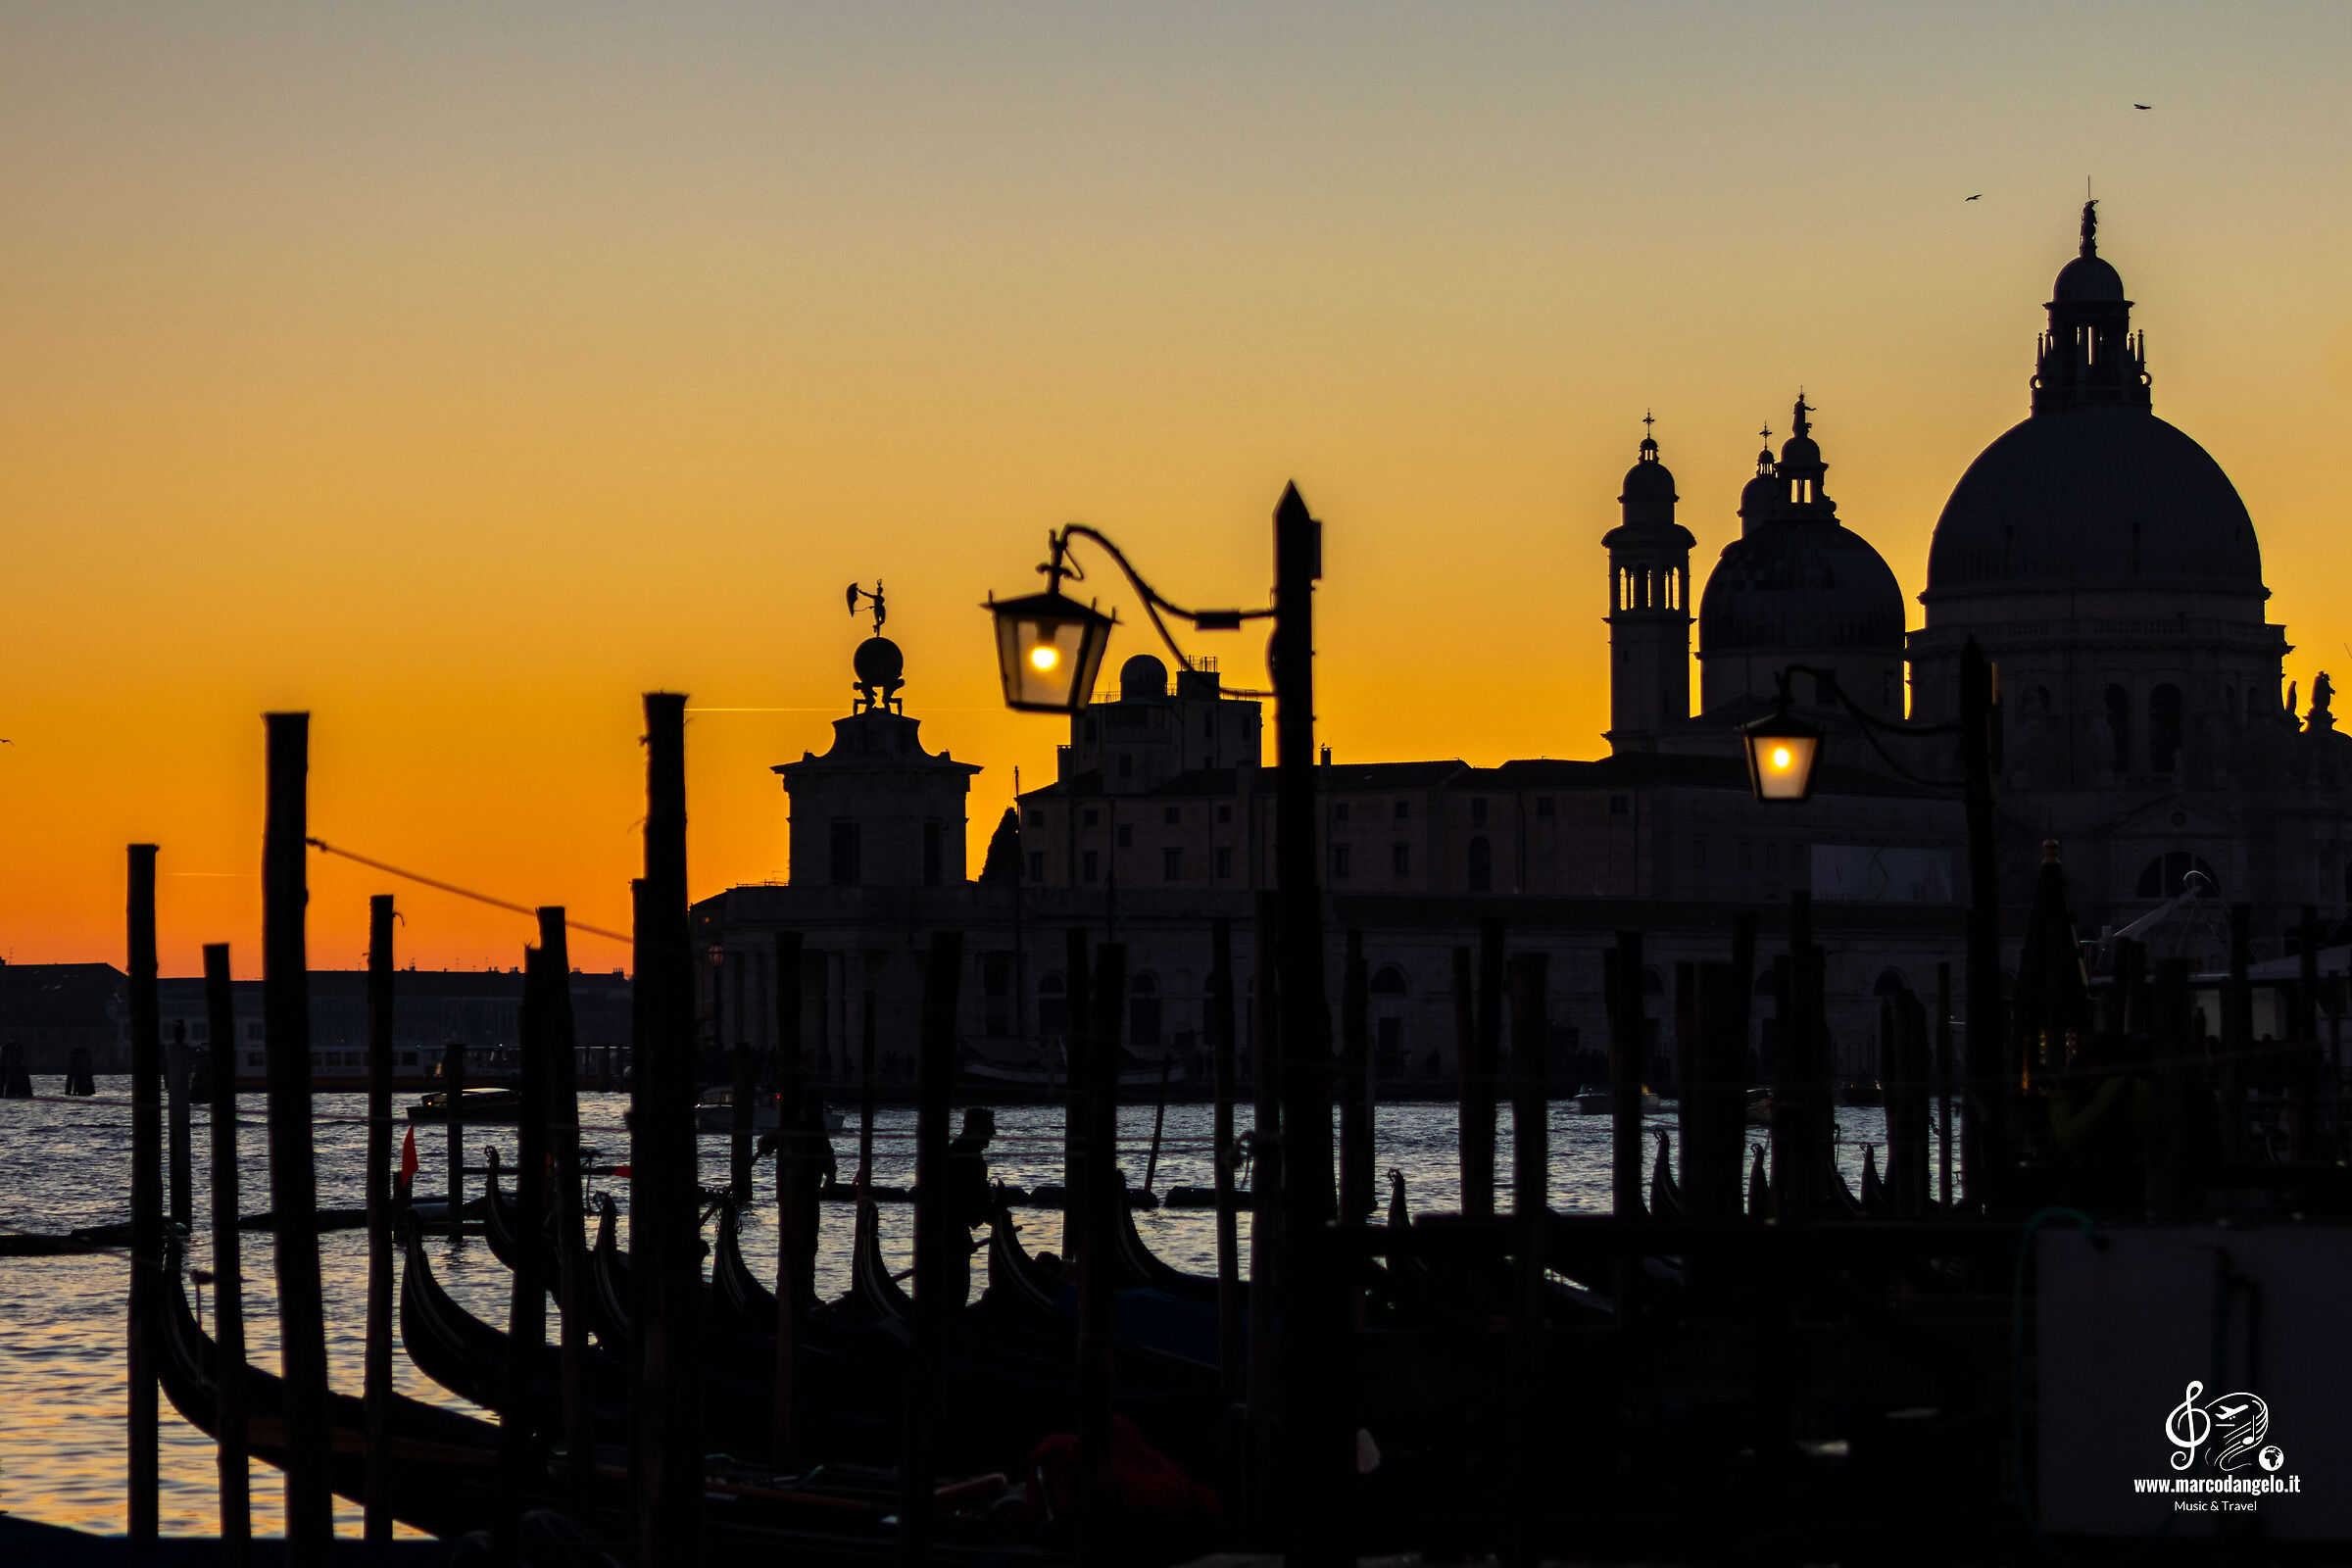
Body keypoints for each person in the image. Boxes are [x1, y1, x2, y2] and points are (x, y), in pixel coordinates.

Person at [942, 1106, 997, 1309]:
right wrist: (994, 1215)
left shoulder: (962, 1153)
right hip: (951, 1236)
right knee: (955, 1294)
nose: (993, 1133)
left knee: (953, 1294)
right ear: (976, 1128)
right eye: (989, 1128)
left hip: (951, 1232)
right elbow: (971, 1202)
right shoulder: (968, 1159)